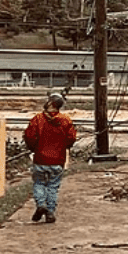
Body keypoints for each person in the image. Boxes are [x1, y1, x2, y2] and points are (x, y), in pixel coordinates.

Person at [23, 93, 77, 224]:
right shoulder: (66, 120)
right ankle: (50, 212)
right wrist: (64, 147)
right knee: (53, 187)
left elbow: (29, 136)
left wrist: (33, 148)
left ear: (49, 104)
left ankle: (41, 204)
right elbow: (71, 138)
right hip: (58, 160)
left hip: (40, 159)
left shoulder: (37, 119)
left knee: (39, 183)